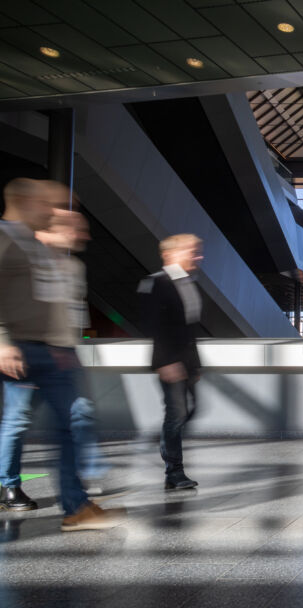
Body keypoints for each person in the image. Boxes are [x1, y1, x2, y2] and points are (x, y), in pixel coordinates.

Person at [0, 178, 122, 530]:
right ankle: (11, 485)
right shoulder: (8, 239)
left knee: (70, 423)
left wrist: (59, 347)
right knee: (19, 420)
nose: (50, 211)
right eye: (44, 203)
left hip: (46, 352)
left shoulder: (32, 245)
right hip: (20, 349)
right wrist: (4, 342)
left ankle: (75, 506)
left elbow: (48, 305)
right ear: (24, 202)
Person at [138, 234, 204, 490]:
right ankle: (174, 472)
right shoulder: (155, 282)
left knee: (190, 411)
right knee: (176, 414)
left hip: (187, 364)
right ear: (170, 254)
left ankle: (166, 442)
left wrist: (195, 366)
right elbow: (151, 325)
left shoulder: (190, 284)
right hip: (169, 363)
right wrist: (165, 362)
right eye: (192, 251)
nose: (198, 256)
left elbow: (190, 330)